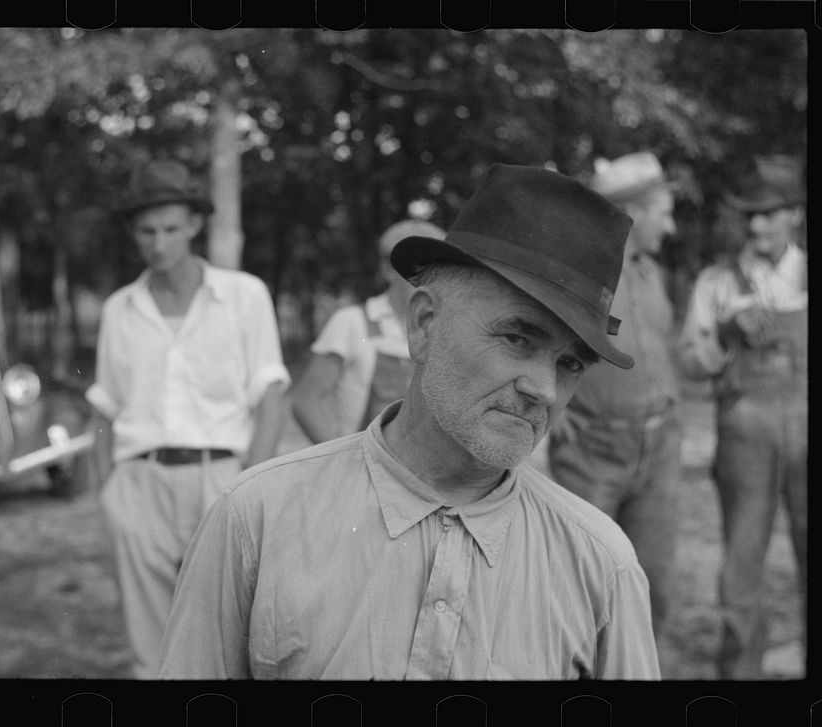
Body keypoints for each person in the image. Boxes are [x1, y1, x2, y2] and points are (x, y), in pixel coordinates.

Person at [159, 163, 661, 680]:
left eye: (570, 363)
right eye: (517, 338)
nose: (545, 389)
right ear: (423, 325)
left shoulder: (600, 563)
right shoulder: (256, 519)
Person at [86, 159, 291, 678]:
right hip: (141, 484)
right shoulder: (120, 309)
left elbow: (269, 395)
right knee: (150, 650)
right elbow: (106, 407)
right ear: (134, 233)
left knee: (232, 637)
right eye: (147, 231)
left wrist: (250, 483)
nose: (159, 243)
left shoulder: (243, 296)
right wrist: (109, 493)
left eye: (171, 228)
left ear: (195, 225)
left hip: (221, 477)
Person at [676, 155, 806, 679]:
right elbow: (687, 362)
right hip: (743, 435)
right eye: (749, 215)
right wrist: (724, 336)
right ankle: (740, 680)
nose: (755, 226)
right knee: (742, 565)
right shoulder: (716, 283)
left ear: (794, 215)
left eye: (768, 214)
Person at [546, 151, 682, 643]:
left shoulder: (652, 273)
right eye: (664, 214)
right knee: (585, 588)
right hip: (593, 452)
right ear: (638, 213)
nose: (669, 228)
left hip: (660, 449)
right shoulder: (580, 273)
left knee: (653, 585)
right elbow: (545, 344)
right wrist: (552, 414)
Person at [291, 219, 446, 443]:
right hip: (361, 469)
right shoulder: (352, 323)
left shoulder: (446, 331)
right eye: (423, 268)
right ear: (388, 270)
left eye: (441, 270)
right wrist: (342, 460)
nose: (433, 281)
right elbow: (306, 402)